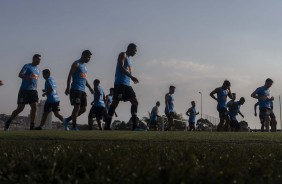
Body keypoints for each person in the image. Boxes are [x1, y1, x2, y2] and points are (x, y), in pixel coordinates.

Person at [104, 43, 139, 130]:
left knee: (135, 102)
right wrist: (132, 77)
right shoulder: (123, 54)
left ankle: (135, 126)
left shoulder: (130, 60)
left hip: (127, 84)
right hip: (120, 83)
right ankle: (107, 125)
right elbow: (120, 67)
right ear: (130, 48)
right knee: (115, 103)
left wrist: (130, 78)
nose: (136, 52)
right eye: (135, 50)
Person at [4, 54, 41, 130]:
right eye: (38, 59)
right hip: (24, 90)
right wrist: (27, 77)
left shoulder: (38, 69)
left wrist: (35, 88)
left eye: (40, 59)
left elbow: (35, 80)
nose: (39, 61)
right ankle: (8, 121)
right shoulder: (27, 66)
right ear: (34, 59)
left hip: (33, 91)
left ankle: (32, 126)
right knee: (20, 108)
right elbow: (20, 74)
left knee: (34, 107)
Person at [64, 50, 94, 130]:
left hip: (82, 90)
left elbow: (84, 79)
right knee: (76, 107)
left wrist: (90, 88)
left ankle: (67, 120)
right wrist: (68, 87)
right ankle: (74, 127)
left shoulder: (85, 67)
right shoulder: (76, 64)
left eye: (90, 58)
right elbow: (70, 75)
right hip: (75, 89)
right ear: (83, 55)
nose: (89, 59)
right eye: (88, 57)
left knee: (83, 109)